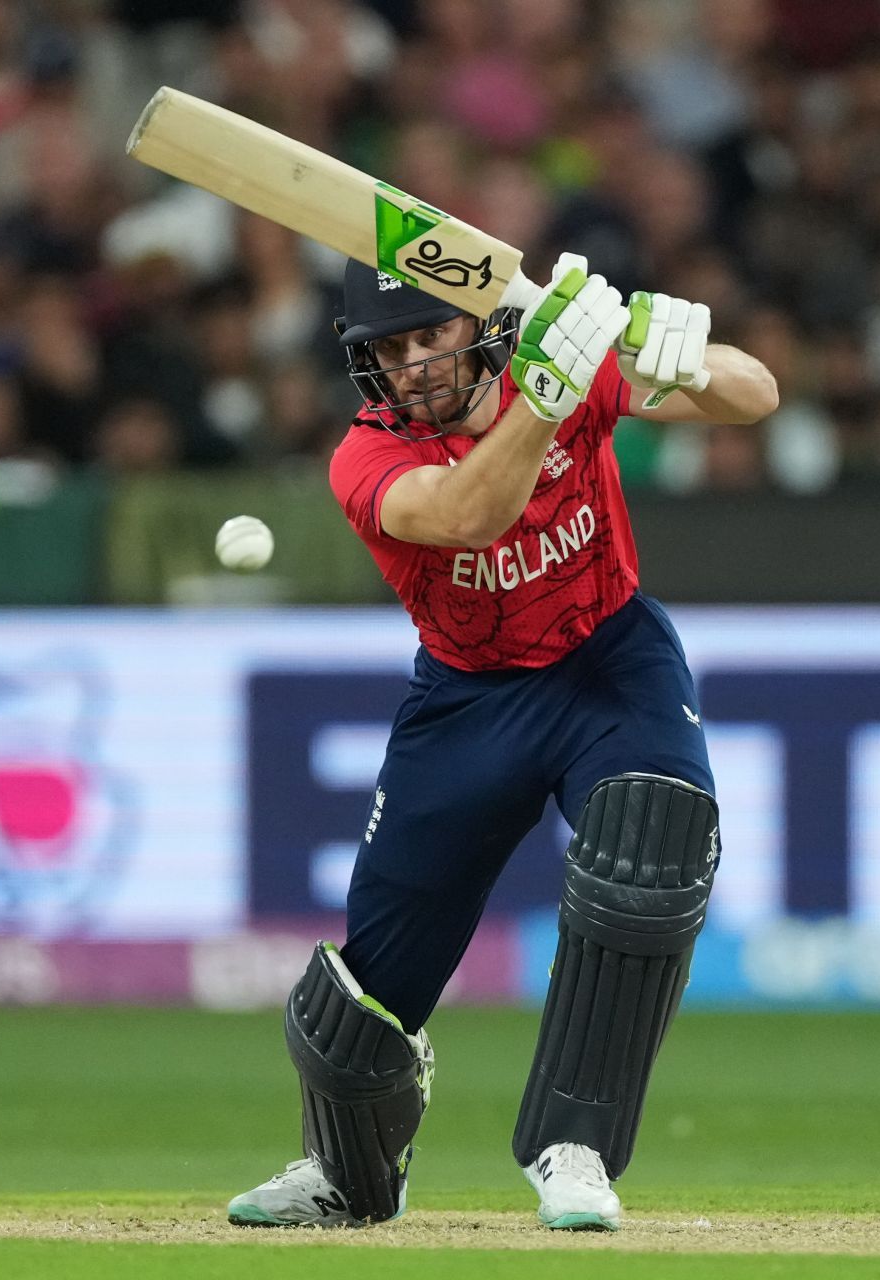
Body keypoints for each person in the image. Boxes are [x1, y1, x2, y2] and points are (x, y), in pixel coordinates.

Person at [227, 253, 780, 1232]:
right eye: (389, 349)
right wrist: (548, 393)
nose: (412, 367)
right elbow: (466, 513)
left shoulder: (562, 367)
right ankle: (348, 1173)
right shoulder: (366, 457)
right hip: (467, 700)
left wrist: (669, 344)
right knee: (362, 1000)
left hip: (608, 663)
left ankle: (575, 1146)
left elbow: (756, 394)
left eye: (430, 336)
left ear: (478, 325)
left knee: (650, 850)